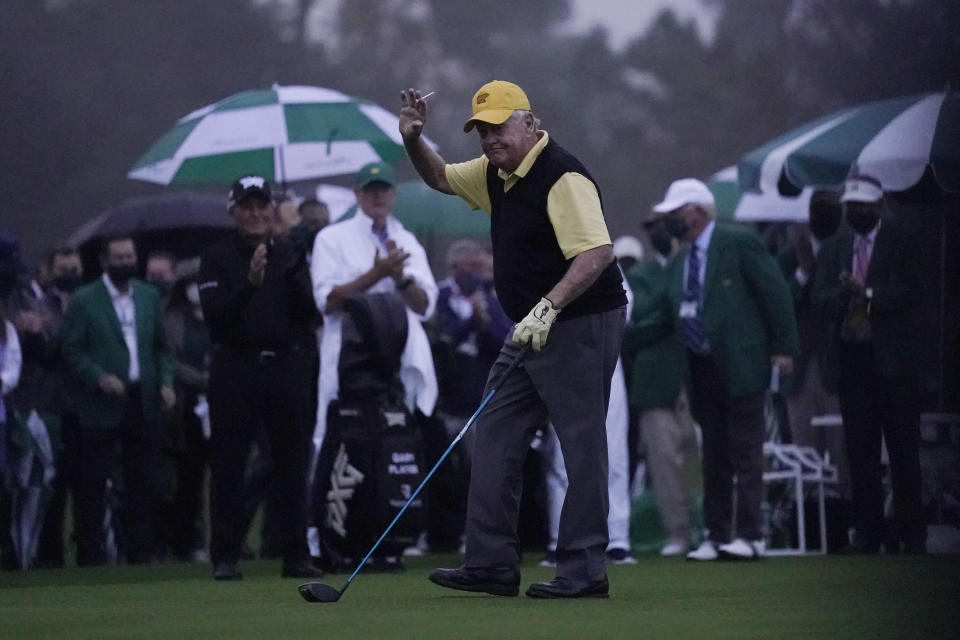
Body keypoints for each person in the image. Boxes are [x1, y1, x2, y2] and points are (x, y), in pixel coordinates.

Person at [400, 80, 626, 598]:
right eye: (481, 130)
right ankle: (492, 564)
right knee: (494, 434)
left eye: (499, 126)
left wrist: (548, 307)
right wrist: (413, 138)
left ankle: (584, 570)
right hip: (531, 325)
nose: (489, 138)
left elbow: (596, 254)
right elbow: (438, 176)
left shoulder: (562, 175)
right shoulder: (496, 174)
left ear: (530, 123)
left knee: (580, 445)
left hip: (581, 321)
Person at [635, 179, 798, 561]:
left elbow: (774, 294)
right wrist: (620, 336)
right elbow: (663, 314)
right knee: (715, 454)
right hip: (700, 366)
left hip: (741, 363)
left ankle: (751, 534)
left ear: (697, 211)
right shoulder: (680, 260)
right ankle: (717, 533)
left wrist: (784, 347)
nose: (669, 222)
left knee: (745, 450)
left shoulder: (738, 244)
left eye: (675, 214)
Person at [198, 176, 321, 580]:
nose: (255, 213)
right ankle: (226, 555)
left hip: (285, 367)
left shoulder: (289, 252)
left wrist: (292, 271)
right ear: (234, 211)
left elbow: (310, 314)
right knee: (229, 464)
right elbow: (217, 319)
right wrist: (250, 285)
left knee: (292, 463)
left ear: (271, 210)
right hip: (236, 367)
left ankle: (295, 553)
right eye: (246, 206)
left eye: (261, 205)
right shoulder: (216, 257)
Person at [813, 174, 925, 554]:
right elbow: (821, 302)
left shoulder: (902, 241)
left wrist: (870, 294)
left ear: (878, 205)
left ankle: (911, 532)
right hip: (852, 360)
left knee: (902, 450)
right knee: (860, 451)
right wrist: (845, 294)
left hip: (892, 362)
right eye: (851, 207)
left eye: (864, 206)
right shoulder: (834, 248)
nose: (857, 212)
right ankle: (868, 530)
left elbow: (914, 293)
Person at [309, 161, 438, 460]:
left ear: (394, 195)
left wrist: (400, 278)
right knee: (338, 440)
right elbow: (327, 302)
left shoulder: (408, 242)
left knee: (399, 440)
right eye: (370, 190)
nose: (377, 196)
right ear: (357, 194)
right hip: (349, 358)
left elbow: (425, 306)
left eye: (383, 190)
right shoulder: (331, 239)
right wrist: (376, 274)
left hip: (398, 360)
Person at [60, 234, 176, 565]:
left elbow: (162, 348)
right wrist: (98, 376)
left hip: (142, 398)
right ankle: (90, 551)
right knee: (93, 480)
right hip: (102, 403)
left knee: (144, 478)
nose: (126, 263)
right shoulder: (85, 299)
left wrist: (166, 382)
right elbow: (72, 350)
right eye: (119, 257)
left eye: (129, 257)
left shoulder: (148, 295)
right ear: (104, 261)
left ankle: (139, 549)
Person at [624, 212, 697, 556]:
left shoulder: (693, 260)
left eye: (660, 226)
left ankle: (717, 529)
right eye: (650, 227)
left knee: (710, 459)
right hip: (656, 382)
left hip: (697, 375)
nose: (656, 232)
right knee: (664, 463)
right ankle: (678, 534)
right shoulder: (640, 274)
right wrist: (675, 309)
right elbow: (643, 316)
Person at [777, 193, 850, 499]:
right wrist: (804, 272)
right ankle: (809, 512)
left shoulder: (844, 252)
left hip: (836, 363)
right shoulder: (788, 258)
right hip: (800, 366)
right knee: (805, 442)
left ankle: (845, 510)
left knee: (840, 443)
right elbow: (780, 305)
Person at [162, 257, 212, 562]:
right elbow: (171, 358)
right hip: (185, 407)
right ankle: (185, 539)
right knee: (188, 478)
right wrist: (201, 379)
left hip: (219, 403)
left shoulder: (218, 316)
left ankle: (220, 536)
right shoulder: (172, 319)